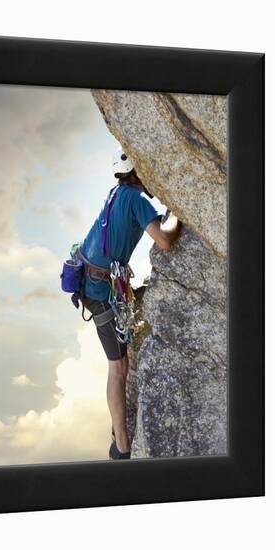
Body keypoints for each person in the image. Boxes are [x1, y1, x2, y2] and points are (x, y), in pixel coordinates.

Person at [79, 146, 181, 460]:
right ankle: (122, 446)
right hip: (99, 290)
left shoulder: (116, 193)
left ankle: (117, 432)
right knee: (119, 366)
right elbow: (164, 241)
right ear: (137, 171)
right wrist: (178, 213)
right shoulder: (136, 200)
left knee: (118, 363)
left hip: (92, 281)